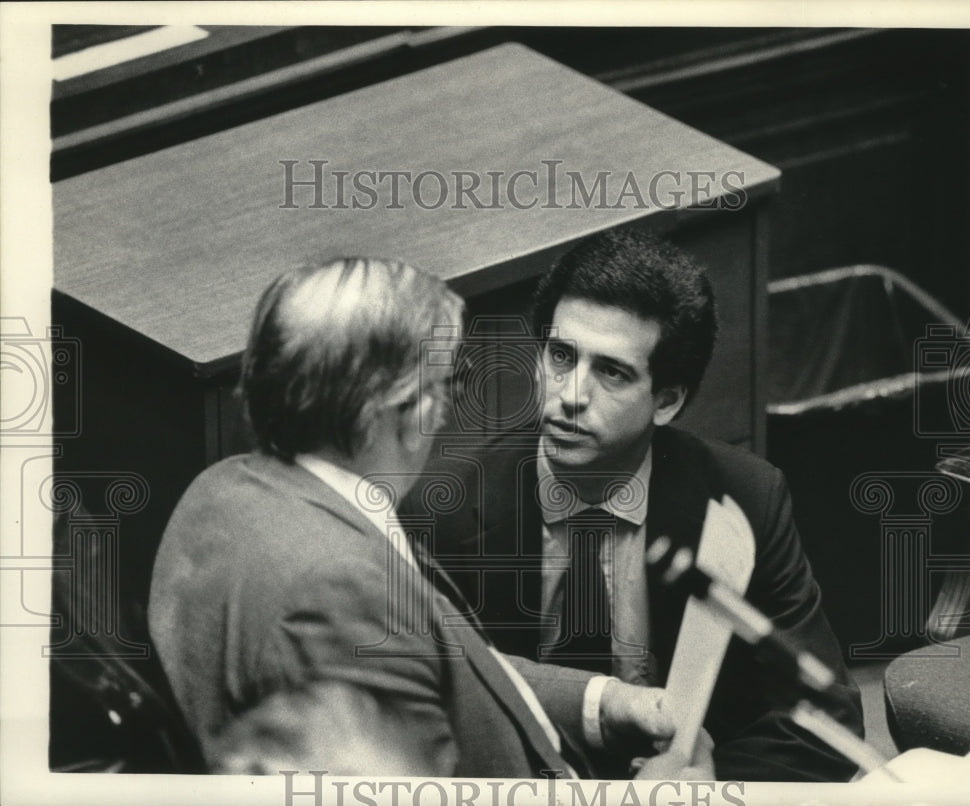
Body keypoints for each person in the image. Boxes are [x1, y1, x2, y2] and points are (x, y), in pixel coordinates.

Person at [147, 256, 710, 778]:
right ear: (392, 408)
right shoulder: (341, 591)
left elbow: (451, 665)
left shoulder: (221, 491)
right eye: (443, 385)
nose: (444, 412)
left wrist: (604, 704)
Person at [403, 230, 865, 781]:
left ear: (667, 401)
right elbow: (422, 711)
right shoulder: (443, 511)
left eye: (612, 372)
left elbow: (826, 712)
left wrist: (714, 785)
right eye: (560, 355)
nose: (571, 394)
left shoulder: (745, 497)